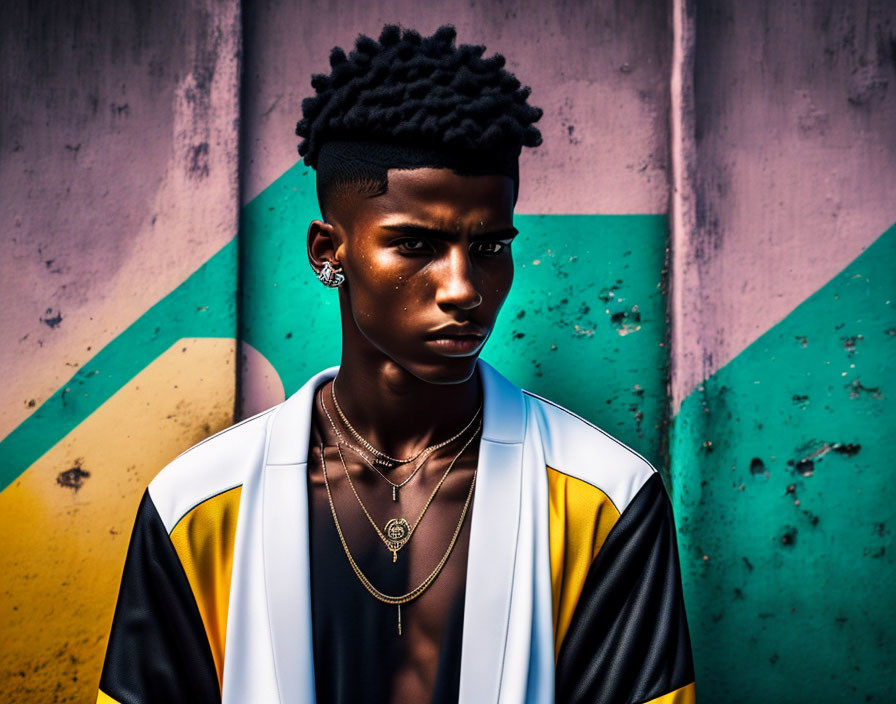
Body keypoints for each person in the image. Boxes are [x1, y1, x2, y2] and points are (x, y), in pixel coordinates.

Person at [97, 25, 695, 704]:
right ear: (329, 251)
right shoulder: (196, 506)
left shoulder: (609, 501)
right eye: (416, 244)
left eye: (491, 246)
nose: (464, 288)